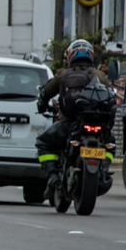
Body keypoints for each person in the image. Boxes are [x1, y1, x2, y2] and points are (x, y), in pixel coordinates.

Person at [35, 39, 112, 201]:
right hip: (98, 128)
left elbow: (45, 94)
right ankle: (103, 170)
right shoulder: (100, 76)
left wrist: (42, 106)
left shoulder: (63, 75)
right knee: (110, 144)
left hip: (69, 126)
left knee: (43, 142)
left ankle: (53, 177)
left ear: (70, 56)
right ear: (91, 55)